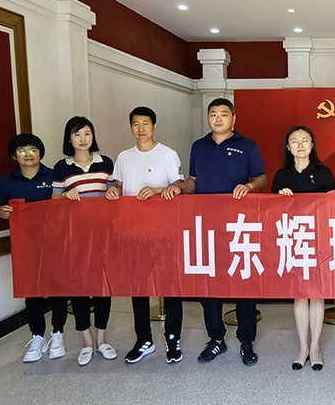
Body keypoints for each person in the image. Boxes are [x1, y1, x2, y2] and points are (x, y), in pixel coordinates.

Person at [169, 97, 266, 365]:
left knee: (244, 284)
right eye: (213, 114)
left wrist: (249, 187)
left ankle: (246, 341)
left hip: (239, 226)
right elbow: (193, 181)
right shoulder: (198, 146)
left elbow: (261, 178)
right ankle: (216, 340)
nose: (218, 118)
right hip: (206, 227)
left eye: (224, 114)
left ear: (234, 118)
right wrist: (180, 188)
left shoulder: (248, 146)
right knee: (208, 284)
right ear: (208, 118)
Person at [104, 107, 185, 365]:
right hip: (133, 234)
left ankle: (173, 338)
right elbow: (118, 186)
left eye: (146, 123)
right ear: (131, 128)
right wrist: (114, 192)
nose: (141, 128)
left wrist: (158, 191)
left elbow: (179, 186)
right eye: (136, 124)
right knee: (137, 287)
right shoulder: (123, 157)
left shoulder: (168, 154)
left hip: (163, 232)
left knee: (170, 287)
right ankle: (144, 339)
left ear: (154, 126)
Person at [0, 133, 69, 363]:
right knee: (32, 290)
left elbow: (63, 203)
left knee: (57, 288)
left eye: (33, 150)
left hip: (55, 242)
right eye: (22, 151)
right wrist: (2, 212)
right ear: (13, 155)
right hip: (26, 245)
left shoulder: (53, 176)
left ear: (40, 153)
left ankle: (58, 334)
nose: (28, 154)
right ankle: (37, 336)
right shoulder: (7, 182)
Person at [51, 116, 118, 367]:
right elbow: (54, 199)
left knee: (102, 286)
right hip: (75, 237)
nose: (83, 139)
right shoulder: (61, 167)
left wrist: (114, 191)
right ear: (69, 139)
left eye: (87, 133)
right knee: (78, 287)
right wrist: (65, 196)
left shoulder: (106, 162)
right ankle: (86, 341)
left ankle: (102, 338)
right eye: (77, 134)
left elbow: (114, 191)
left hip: (102, 235)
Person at [271, 125, 335, 371]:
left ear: (312, 145)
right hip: (293, 240)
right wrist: (282, 199)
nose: (300, 145)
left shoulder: (323, 172)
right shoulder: (281, 175)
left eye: (305, 140)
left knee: (317, 292)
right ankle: (302, 348)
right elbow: (270, 211)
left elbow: (332, 206)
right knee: (299, 293)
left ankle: (315, 347)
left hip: (319, 239)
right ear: (288, 147)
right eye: (295, 141)